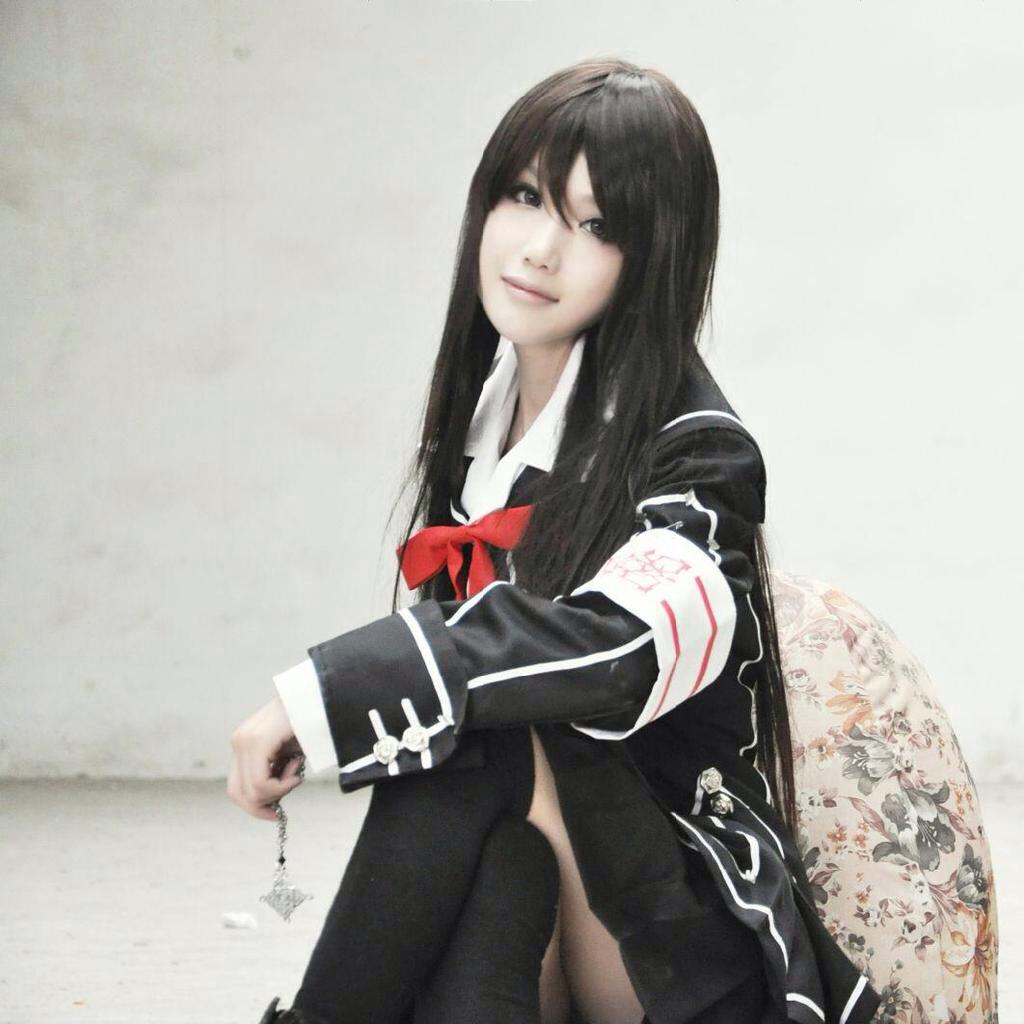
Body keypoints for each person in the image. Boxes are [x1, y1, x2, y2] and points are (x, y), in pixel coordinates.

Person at [227, 57, 884, 1024]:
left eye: (596, 225)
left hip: (680, 939)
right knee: (500, 868)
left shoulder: (701, 453)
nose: (540, 249)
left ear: (654, 256)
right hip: (553, 886)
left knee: (486, 742)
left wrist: (329, 691)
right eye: (526, 197)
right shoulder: (481, 424)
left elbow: (618, 650)